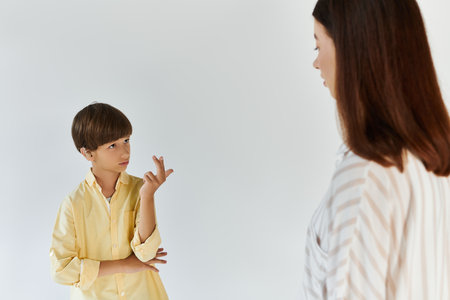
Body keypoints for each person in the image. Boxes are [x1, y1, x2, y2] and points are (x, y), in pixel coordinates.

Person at [302, 0, 450, 299]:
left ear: (352, 48)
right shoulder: (430, 162)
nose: (316, 63)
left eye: (318, 46)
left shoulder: (366, 177)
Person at [50, 102, 173, 299]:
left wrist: (147, 196)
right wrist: (123, 265)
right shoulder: (73, 203)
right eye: (112, 145)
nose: (125, 151)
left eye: (126, 140)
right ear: (88, 153)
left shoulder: (140, 189)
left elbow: (146, 254)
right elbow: (61, 270)